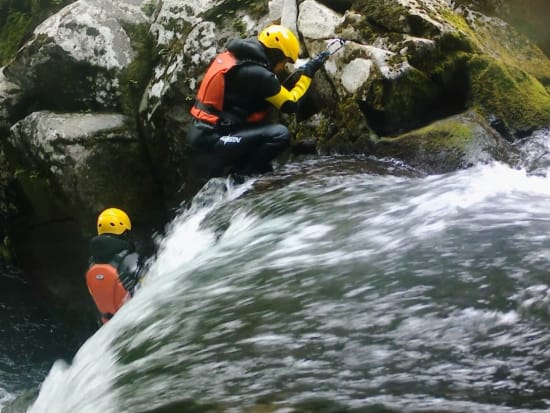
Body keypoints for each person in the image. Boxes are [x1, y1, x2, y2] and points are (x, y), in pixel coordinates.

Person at [187, 24, 329, 183]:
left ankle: (244, 173)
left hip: (203, 134)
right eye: (284, 61)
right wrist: (307, 75)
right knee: (280, 134)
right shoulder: (259, 74)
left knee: (264, 154)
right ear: (276, 54)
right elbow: (290, 104)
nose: (283, 67)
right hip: (213, 140)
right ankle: (241, 178)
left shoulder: (238, 57)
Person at [85, 207, 142, 324]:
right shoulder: (131, 258)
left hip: (112, 326)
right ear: (124, 231)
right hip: (137, 318)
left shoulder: (92, 265)